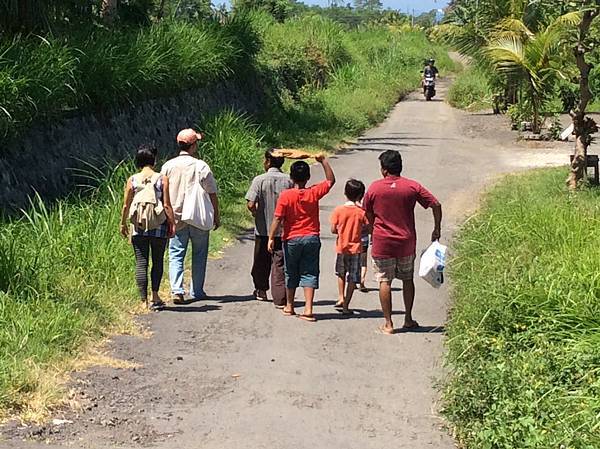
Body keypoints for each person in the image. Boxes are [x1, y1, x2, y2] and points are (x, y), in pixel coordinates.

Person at [363, 150, 442, 334]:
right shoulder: (412, 187)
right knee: (407, 279)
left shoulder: (374, 188)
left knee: (384, 281)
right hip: (406, 242)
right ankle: (408, 318)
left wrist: (373, 228)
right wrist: (436, 228)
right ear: (400, 167)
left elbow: (367, 212)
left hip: (382, 242)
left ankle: (389, 324)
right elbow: (435, 204)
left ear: (383, 170)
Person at [268, 155, 335, 322]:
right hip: (312, 237)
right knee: (310, 272)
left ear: (291, 177)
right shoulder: (313, 192)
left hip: (291, 239)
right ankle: (308, 308)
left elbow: (277, 218)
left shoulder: (285, 196)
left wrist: (271, 237)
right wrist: (323, 161)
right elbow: (330, 181)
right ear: (308, 177)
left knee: (291, 271)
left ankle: (290, 305)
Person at [160, 128, 220, 304]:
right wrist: (216, 215)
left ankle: (177, 290)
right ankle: (197, 290)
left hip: (175, 216)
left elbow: (161, 192)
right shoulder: (201, 166)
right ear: (193, 146)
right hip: (198, 216)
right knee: (199, 254)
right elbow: (212, 193)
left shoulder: (167, 166)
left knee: (176, 253)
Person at [120, 145, 175, 311]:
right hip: (158, 225)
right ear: (154, 160)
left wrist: (123, 223)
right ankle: (155, 296)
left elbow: (125, 205)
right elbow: (166, 205)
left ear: (138, 161)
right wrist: (172, 223)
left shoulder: (132, 180)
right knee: (157, 261)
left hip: (138, 227)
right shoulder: (162, 178)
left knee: (141, 262)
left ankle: (143, 301)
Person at [245, 150, 292, 307]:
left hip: (263, 228)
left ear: (268, 162)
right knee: (280, 263)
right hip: (283, 229)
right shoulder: (289, 180)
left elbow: (251, 203)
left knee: (260, 261)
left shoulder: (259, 180)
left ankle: (261, 289)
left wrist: (256, 213)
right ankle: (281, 293)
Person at [330, 179, 369, 315]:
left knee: (341, 273)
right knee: (353, 277)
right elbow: (368, 227)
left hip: (341, 247)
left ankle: (341, 297)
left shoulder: (338, 210)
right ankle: (346, 305)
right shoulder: (361, 212)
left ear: (345, 193)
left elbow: (333, 229)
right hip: (356, 248)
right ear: (360, 196)